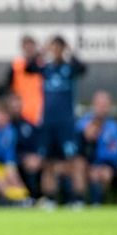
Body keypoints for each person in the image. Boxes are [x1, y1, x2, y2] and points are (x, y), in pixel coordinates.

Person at [26, 35, 86, 205]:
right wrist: (41, 51)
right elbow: (29, 68)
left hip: (66, 123)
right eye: (54, 47)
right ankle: (50, 199)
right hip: (48, 123)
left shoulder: (69, 68)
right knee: (48, 163)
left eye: (59, 47)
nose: (56, 50)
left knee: (73, 161)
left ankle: (77, 199)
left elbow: (83, 68)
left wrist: (72, 52)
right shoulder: (46, 68)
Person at [73, 90, 117, 205]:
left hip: (105, 164)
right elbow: (75, 149)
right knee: (79, 165)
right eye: (99, 105)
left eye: (105, 105)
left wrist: (100, 164)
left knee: (104, 173)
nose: (102, 108)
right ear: (93, 105)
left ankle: (98, 202)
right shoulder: (82, 124)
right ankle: (78, 201)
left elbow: (115, 152)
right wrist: (86, 138)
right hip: (85, 163)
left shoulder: (114, 127)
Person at [3, 35, 43, 126]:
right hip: (20, 110)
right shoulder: (16, 65)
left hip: (38, 109)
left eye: (31, 46)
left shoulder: (42, 65)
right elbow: (8, 85)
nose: (29, 49)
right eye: (26, 46)